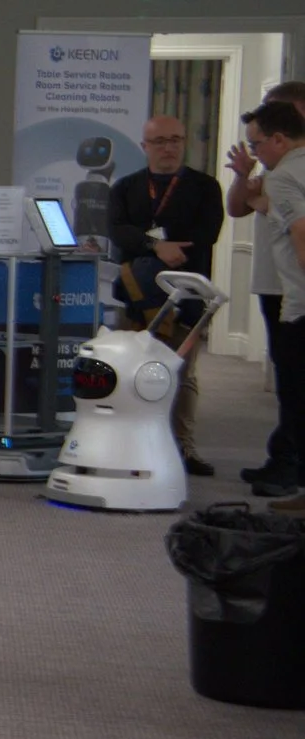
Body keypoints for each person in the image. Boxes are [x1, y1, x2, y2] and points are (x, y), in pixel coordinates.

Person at [108, 113, 225, 475]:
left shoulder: (205, 187)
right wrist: (155, 247)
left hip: (187, 292)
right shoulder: (126, 187)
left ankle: (182, 447)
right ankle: (130, 445)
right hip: (137, 293)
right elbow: (118, 230)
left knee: (181, 373)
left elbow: (205, 233)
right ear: (145, 147)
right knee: (133, 370)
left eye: (175, 139)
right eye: (160, 141)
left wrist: (166, 246)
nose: (168, 148)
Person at [226, 81, 305, 495]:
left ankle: (292, 469)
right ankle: (284, 459)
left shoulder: (288, 173)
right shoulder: (274, 170)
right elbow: (238, 207)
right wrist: (246, 177)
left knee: (296, 383)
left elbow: (301, 231)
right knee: (291, 378)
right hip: (275, 284)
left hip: (297, 291)